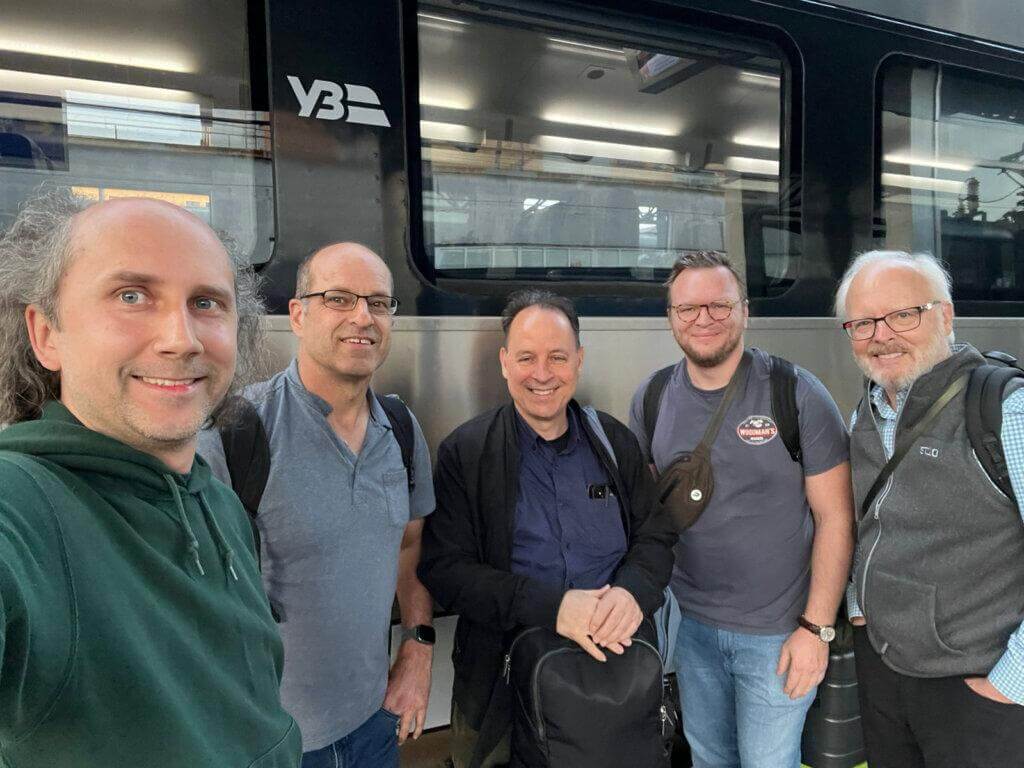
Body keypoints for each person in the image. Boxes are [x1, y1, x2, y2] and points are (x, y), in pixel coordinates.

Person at [0, 189, 300, 766]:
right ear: (46, 335)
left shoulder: (217, 500)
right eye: (131, 295)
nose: (181, 339)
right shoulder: (21, 507)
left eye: (207, 303)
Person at [198, 242, 436, 768]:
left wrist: (419, 646)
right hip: (267, 740)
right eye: (339, 298)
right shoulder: (237, 433)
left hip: (375, 726)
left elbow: (409, 547)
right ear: (299, 315)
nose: (363, 317)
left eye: (378, 303)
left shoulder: (399, 428)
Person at [418, 289, 676, 768]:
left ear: (578, 360)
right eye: (526, 358)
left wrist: (633, 593)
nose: (542, 374)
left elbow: (657, 537)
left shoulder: (612, 441)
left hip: (617, 682)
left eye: (557, 357)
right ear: (503, 362)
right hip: (502, 690)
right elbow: (445, 570)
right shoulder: (466, 453)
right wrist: (553, 608)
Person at [629, 251, 853, 768]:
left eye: (719, 305)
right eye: (688, 309)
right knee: (709, 758)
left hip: (779, 634)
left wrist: (816, 629)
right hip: (691, 628)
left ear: (745, 311)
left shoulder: (795, 394)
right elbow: (645, 518)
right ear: (671, 318)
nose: (703, 319)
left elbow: (836, 518)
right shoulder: (653, 398)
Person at [837, 250, 1024, 767]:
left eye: (903, 315)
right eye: (863, 323)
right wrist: (859, 611)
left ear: (945, 316)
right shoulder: (869, 411)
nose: (882, 335)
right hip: (887, 671)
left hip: (975, 684)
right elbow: (872, 523)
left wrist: (1012, 684)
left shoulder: (1005, 410)